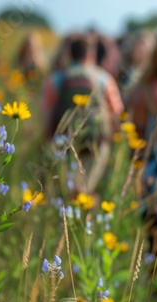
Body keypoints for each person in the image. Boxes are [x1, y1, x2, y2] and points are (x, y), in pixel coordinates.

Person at [41, 34, 124, 193]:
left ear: (69, 54)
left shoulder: (55, 79)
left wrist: (49, 140)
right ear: (91, 54)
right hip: (95, 146)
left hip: (61, 144)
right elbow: (117, 115)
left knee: (63, 193)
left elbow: (45, 116)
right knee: (85, 192)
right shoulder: (104, 79)